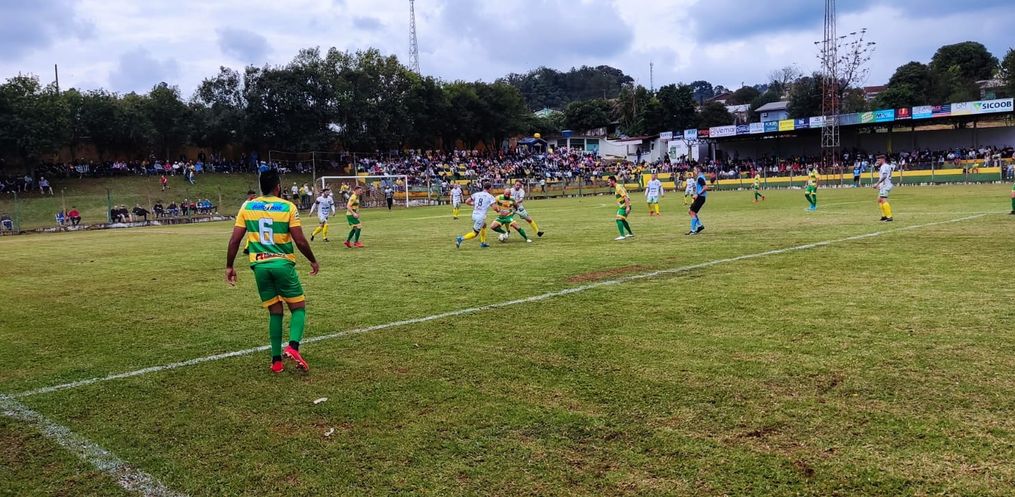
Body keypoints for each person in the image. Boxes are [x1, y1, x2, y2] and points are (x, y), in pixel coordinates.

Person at [225, 169, 319, 374]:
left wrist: (229, 266)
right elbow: (300, 240)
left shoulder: (247, 206)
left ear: (261, 187)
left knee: (275, 311)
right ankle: (293, 347)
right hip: (282, 264)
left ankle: (276, 361)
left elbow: (235, 240)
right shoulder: (288, 206)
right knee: (298, 308)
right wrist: (312, 260)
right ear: (278, 187)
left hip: (259, 266)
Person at [455, 180, 496, 249]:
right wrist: (500, 210)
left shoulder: (476, 194)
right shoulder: (490, 196)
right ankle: (460, 238)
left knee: (484, 225)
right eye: (491, 188)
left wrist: (474, 204)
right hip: (480, 217)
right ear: (489, 188)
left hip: (474, 215)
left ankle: (483, 243)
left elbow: (467, 201)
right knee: (474, 233)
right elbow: (495, 208)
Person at [609, 175, 634, 240]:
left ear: (613, 181)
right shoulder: (618, 186)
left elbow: (625, 197)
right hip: (624, 205)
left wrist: (627, 207)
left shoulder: (618, 187)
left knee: (618, 219)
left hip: (625, 206)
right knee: (622, 219)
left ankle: (622, 235)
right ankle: (630, 233)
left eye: (609, 182)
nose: (608, 183)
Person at [872, 154, 895, 222]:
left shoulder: (884, 166)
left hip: (885, 185)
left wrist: (877, 183)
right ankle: (884, 216)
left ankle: (889, 217)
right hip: (884, 185)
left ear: (883, 160)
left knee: (883, 200)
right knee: (879, 199)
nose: (877, 162)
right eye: (877, 160)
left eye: (879, 160)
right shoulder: (886, 166)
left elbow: (884, 176)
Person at [687, 166, 707, 235]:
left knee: (691, 212)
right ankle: (699, 226)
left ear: (698, 170)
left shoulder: (700, 178)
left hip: (700, 197)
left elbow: (705, 187)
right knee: (691, 211)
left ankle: (693, 230)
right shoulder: (700, 177)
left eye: (695, 170)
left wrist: (698, 194)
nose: (693, 171)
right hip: (700, 197)